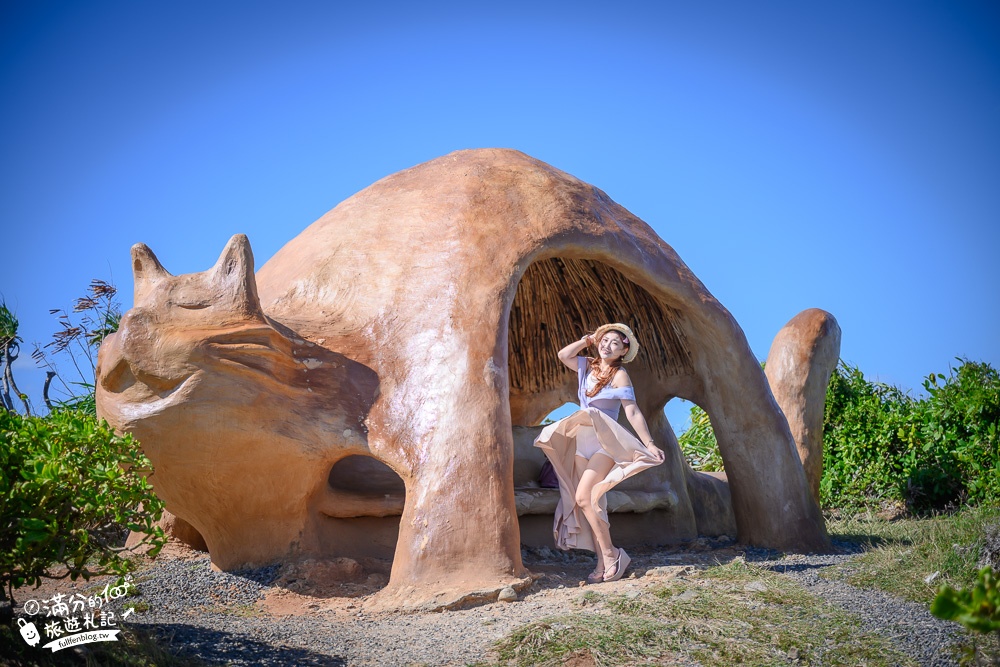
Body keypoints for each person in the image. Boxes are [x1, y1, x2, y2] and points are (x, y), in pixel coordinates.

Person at [533, 323, 665, 583]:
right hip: (582, 442)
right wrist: (588, 340)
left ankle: (612, 553)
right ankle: (603, 561)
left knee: (584, 498)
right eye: (604, 341)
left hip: (605, 443)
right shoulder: (587, 366)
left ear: (623, 350)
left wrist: (648, 443)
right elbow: (563, 355)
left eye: (614, 343)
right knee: (594, 505)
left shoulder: (620, 375)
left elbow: (632, 411)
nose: (607, 345)